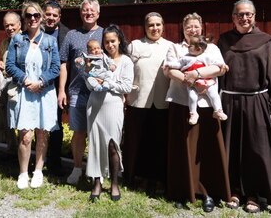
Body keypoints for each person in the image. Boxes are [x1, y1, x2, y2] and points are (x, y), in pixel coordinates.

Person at [217, 0, 271, 213]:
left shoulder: (265, 42)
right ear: (233, 17)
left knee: (255, 150)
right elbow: (215, 72)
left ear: (254, 16)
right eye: (240, 14)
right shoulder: (224, 40)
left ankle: (255, 194)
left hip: (256, 101)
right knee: (231, 148)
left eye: (248, 14)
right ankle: (234, 190)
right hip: (229, 102)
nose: (244, 18)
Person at [165, 12, 231, 213]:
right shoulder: (176, 48)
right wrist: (188, 79)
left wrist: (197, 74)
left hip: (207, 106)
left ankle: (208, 192)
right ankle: (183, 191)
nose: (192, 30)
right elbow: (168, 70)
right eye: (188, 27)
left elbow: (220, 69)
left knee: (206, 150)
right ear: (183, 30)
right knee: (183, 149)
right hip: (182, 103)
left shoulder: (212, 47)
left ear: (201, 27)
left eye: (195, 26)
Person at [6, 2, 60, 189]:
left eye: (36, 15)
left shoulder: (50, 41)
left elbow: (55, 68)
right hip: (25, 92)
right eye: (29, 15)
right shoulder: (17, 40)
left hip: (44, 92)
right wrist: (26, 80)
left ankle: (38, 171)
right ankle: (23, 173)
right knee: (25, 136)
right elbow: (10, 65)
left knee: (43, 134)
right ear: (24, 18)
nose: (33, 19)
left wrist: (41, 82)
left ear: (41, 17)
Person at [123, 12, 173, 192]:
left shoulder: (170, 47)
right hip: (139, 101)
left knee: (159, 143)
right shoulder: (135, 46)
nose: (155, 28)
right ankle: (138, 177)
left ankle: (159, 179)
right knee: (139, 141)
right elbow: (125, 70)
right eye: (151, 25)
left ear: (163, 26)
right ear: (145, 27)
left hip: (162, 102)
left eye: (158, 24)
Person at [58, 0, 104, 185]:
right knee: (78, 132)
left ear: (98, 13)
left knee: (96, 133)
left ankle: (95, 171)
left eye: (92, 10)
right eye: (85, 10)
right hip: (77, 91)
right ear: (81, 13)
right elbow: (63, 64)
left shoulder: (105, 33)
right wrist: (62, 90)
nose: (88, 13)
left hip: (100, 92)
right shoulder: (71, 35)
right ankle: (77, 169)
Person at [86, 24, 134, 202]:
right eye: (106, 42)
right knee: (95, 144)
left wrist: (107, 83)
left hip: (113, 106)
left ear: (119, 40)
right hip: (94, 105)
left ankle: (114, 183)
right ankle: (97, 182)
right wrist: (91, 78)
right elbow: (88, 83)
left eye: (113, 41)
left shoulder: (126, 61)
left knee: (113, 145)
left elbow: (126, 86)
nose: (110, 45)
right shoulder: (98, 58)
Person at [165, 35, 228, 125]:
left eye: (190, 45)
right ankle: (193, 113)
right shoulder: (185, 57)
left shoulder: (206, 56)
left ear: (198, 49)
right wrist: (169, 65)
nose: (188, 46)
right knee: (192, 96)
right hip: (191, 83)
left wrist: (223, 65)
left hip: (206, 81)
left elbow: (216, 63)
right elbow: (177, 65)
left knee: (214, 94)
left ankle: (218, 110)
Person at [43, 0, 70, 177]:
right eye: (48, 14)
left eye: (55, 15)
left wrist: (62, 90)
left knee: (55, 125)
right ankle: (37, 160)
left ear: (59, 17)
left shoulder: (66, 34)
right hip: (35, 85)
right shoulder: (34, 31)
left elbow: (64, 64)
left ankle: (54, 162)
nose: (51, 18)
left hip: (55, 87)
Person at [0, 12, 21, 146]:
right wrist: (2, 65)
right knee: (8, 118)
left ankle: (22, 149)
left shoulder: (26, 41)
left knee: (21, 121)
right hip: (8, 86)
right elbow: (5, 62)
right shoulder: (4, 43)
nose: (9, 28)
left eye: (12, 25)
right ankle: (12, 148)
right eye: (6, 25)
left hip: (22, 86)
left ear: (19, 25)